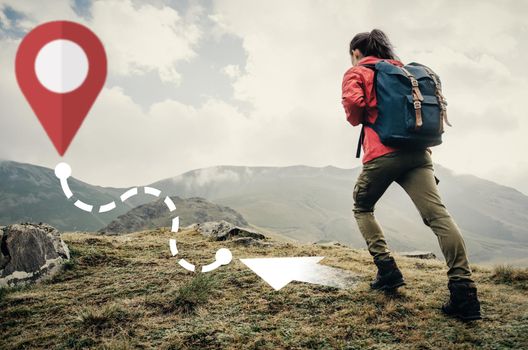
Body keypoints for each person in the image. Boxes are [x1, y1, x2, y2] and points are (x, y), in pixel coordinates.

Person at [341, 29, 481, 321]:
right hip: (418, 153)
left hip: (382, 153)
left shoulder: (358, 71)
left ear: (356, 52)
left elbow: (354, 110)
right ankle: (464, 292)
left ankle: (388, 271)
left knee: (362, 207)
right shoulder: (402, 70)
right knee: (439, 217)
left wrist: (366, 110)